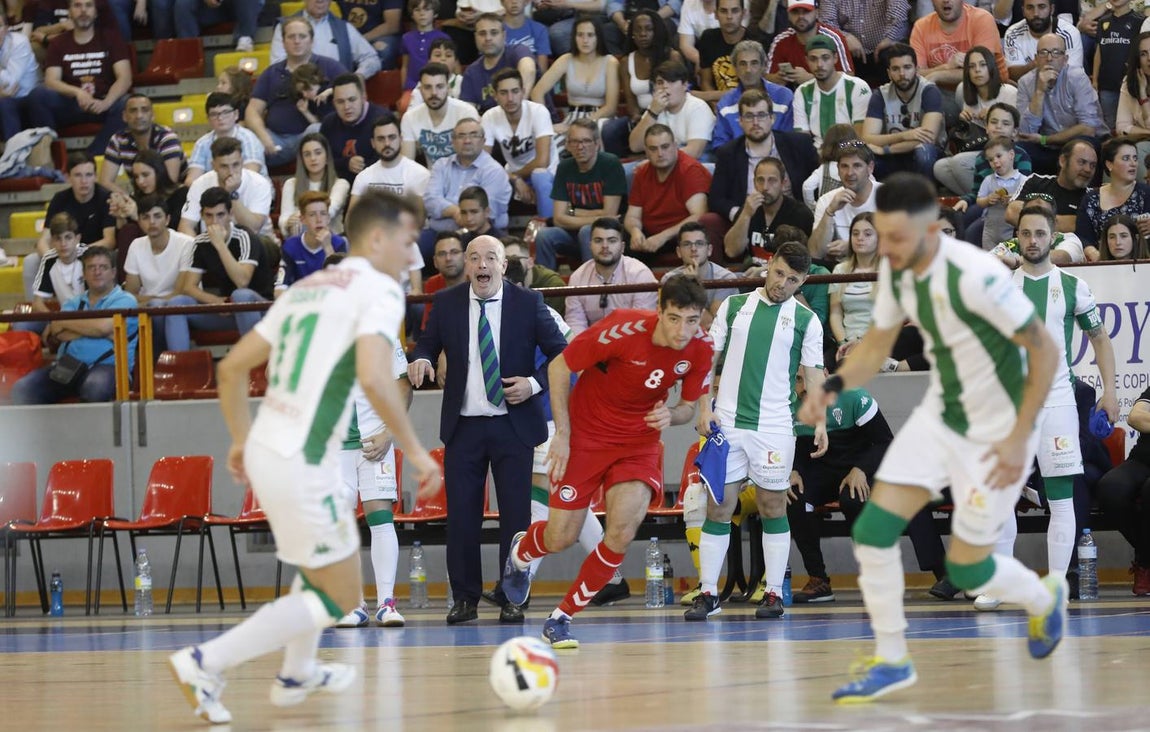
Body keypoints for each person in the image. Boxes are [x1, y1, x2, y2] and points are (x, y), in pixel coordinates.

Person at [168, 190, 441, 726]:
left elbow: (229, 371)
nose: (413, 256)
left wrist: (242, 440)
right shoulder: (379, 293)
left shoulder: (304, 288)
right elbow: (372, 375)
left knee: (324, 573)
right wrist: (412, 446)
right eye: (408, 242)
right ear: (378, 238)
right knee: (337, 591)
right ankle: (205, 661)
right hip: (305, 458)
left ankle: (297, 671)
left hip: (273, 449)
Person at [797, 172, 1066, 702]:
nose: (890, 249)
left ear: (931, 228)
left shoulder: (979, 275)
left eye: (899, 238)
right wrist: (830, 386)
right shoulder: (897, 272)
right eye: (885, 238)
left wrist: (1017, 440)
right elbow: (875, 345)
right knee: (873, 528)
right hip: (943, 413)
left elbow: (1044, 352)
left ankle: (1042, 597)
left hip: (998, 426)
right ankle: (893, 659)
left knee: (969, 565)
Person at [502, 275, 716, 648]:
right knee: (560, 536)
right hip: (584, 438)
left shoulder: (700, 349)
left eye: (692, 320)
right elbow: (558, 368)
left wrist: (672, 416)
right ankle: (522, 552)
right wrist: (563, 436)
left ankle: (561, 617)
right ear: (659, 311)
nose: (683, 330)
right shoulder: (622, 327)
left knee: (621, 531)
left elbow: (686, 409)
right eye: (674, 318)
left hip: (638, 444)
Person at [408, 235, 568, 625]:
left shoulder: (528, 302)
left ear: (502, 265)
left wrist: (532, 383)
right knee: (462, 517)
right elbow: (425, 344)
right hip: (463, 427)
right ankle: (464, 598)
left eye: (490, 258)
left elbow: (562, 352)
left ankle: (514, 597)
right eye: (474, 258)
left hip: (514, 426)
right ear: (466, 265)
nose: (482, 265)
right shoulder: (445, 303)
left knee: (516, 518)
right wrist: (423, 359)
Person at [971, 203, 1118, 611]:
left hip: (1057, 402)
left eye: (1040, 234)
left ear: (1052, 237)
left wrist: (1109, 391)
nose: (1033, 241)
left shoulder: (1073, 287)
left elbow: (1100, 340)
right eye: (1026, 234)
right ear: (1016, 237)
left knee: (1060, 497)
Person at [788, 371, 893, 604]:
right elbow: (800, 447)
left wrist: (861, 469)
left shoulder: (854, 396)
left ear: (824, 375)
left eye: (808, 378)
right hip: (822, 469)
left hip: (860, 468)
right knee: (795, 499)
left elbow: (885, 442)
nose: (803, 387)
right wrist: (794, 470)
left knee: (853, 500)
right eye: (797, 379)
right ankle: (819, 579)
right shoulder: (792, 403)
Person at [334, 336, 414, 628]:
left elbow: (403, 387)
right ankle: (353, 603)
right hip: (333, 446)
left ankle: (387, 603)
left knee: (381, 519)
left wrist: (389, 432)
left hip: (375, 439)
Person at [11, 246, 137, 405]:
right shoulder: (73, 302)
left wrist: (66, 322)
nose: (97, 272)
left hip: (109, 367)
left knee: (94, 388)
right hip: (69, 365)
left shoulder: (126, 301)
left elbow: (102, 327)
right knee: (23, 389)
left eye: (103, 267)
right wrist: (97, 331)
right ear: (83, 274)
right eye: (91, 267)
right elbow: (58, 331)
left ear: (113, 273)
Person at [165, 187, 277, 352]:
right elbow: (189, 287)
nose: (214, 222)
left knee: (241, 296)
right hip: (228, 307)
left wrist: (219, 245)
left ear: (230, 214)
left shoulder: (245, 237)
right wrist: (216, 301)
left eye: (220, 215)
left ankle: (254, 364)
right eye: (209, 216)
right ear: (202, 216)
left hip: (259, 307)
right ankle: (181, 368)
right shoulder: (200, 242)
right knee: (176, 303)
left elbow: (242, 281)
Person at [706, 90, 818, 249]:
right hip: (751, 219)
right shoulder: (728, 153)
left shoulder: (798, 144)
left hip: (795, 217)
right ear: (740, 121)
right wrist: (740, 214)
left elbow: (818, 181)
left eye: (761, 115)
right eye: (749, 116)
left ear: (772, 118)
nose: (756, 122)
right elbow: (716, 199)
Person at [22, 0, 132, 156]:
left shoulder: (111, 38)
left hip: (102, 102)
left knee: (126, 104)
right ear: (69, 12)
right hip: (71, 103)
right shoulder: (58, 43)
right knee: (38, 96)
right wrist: (77, 92)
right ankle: (54, 156)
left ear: (95, 12)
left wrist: (106, 102)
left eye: (88, 5)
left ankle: (92, 157)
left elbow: (125, 78)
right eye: (77, 5)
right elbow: (51, 81)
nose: (83, 10)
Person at [246, 17, 348, 169]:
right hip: (275, 141)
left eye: (302, 36)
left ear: (311, 40)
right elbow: (252, 110)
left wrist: (329, 91)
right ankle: (256, 187)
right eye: (291, 37)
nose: (297, 41)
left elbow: (353, 89)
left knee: (317, 131)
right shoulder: (271, 72)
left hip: (313, 140)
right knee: (246, 138)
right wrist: (263, 136)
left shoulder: (330, 66)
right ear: (283, 42)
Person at [532, 117, 627, 270]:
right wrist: (597, 215)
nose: (580, 147)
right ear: (568, 145)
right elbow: (558, 219)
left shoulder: (610, 164)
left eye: (586, 141)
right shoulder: (564, 167)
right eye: (575, 142)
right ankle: (546, 288)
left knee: (586, 231)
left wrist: (573, 213)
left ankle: (591, 286)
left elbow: (609, 217)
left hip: (607, 236)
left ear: (597, 144)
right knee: (544, 236)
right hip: (571, 234)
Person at [419, 118, 512, 264]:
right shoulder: (441, 166)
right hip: (439, 234)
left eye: (473, 135)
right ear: (453, 141)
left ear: (483, 140)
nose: (467, 140)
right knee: (413, 248)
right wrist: (456, 212)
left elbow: (486, 213)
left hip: (480, 236)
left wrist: (447, 210)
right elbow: (430, 201)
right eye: (461, 136)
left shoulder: (494, 171)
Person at [1016, 33, 1106, 176]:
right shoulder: (1025, 83)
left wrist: (1046, 139)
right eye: (1043, 53)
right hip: (1047, 149)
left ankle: (1080, 196)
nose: (1049, 58)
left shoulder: (1077, 78)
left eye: (1056, 53)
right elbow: (1025, 132)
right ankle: (1025, 195)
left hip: (1077, 145)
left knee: (1084, 145)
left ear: (1065, 60)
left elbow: (1088, 128)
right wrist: (1039, 91)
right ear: (1036, 59)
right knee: (1019, 150)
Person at [624, 125, 713, 261]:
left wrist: (662, 237)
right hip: (649, 233)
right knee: (615, 239)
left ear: (675, 146)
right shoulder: (642, 172)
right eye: (653, 149)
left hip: (680, 235)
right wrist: (635, 231)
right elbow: (632, 216)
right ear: (646, 152)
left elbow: (699, 216)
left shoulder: (690, 170)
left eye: (665, 147)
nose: (660, 153)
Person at [603, 8, 683, 157]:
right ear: (631, 34)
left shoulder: (672, 56)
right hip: (643, 115)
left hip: (669, 113)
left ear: (657, 31)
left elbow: (682, 92)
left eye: (648, 29)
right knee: (610, 130)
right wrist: (638, 118)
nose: (643, 34)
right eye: (638, 30)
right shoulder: (627, 61)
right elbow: (631, 102)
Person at [529, 14, 619, 141]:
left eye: (590, 35)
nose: (585, 40)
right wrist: (547, 124)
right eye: (580, 35)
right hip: (572, 117)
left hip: (600, 118)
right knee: (549, 145)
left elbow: (611, 107)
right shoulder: (566, 59)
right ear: (574, 37)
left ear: (598, 37)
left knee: (589, 141)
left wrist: (579, 126)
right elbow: (537, 92)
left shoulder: (610, 62)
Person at [862, 44, 945, 179]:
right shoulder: (880, 95)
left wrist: (886, 149)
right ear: (889, 73)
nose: (902, 74)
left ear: (916, 69)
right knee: (865, 155)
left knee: (923, 152)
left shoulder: (929, 91)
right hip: (893, 157)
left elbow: (928, 138)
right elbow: (867, 138)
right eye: (896, 69)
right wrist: (903, 136)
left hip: (924, 153)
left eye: (907, 67)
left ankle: (924, 198)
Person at [1097, 383, 1150, 595]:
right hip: (1142, 459)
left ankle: (1145, 564)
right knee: (1110, 489)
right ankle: (1147, 555)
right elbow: (1136, 417)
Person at [565, 218, 660, 335]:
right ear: (590, 245)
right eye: (598, 240)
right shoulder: (577, 277)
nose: (605, 246)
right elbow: (575, 321)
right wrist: (585, 348)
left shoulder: (640, 274)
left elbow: (641, 323)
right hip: (590, 345)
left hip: (631, 344)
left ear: (622, 247)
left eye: (612, 241)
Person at [1005, 139, 1098, 254]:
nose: (1088, 169)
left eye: (1093, 165)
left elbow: (1085, 228)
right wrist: (1067, 222)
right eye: (1082, 162)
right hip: (1022, 254)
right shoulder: (1035, 181)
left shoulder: (1092, 198)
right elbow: (1011, 213)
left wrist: (1030, 217)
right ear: (1063, 161)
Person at [482, 69, 555, 210]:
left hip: (546, 173)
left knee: (540, 177)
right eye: (503, 93)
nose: (510, 98)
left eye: (515, 91)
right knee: (486, 181)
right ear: (494, 95)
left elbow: (542, 162)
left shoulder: (538, 111)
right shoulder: (489, 117)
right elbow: (483, 161)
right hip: (513, 174)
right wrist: (513, 178)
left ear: (523, 92)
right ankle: (494, 229)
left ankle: (547, 226)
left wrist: (514, 176)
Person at [936, 101, 1028, 207]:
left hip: (1011, 206)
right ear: (986, 128)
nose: (998, 127)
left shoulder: (1021, 156)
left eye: (1005, 123)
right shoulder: (981, 158)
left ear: (1014, 132)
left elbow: (1023, 190)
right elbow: (977, 192)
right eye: (994, 122)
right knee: (961, 216)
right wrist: (965, 200)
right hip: (986, 204)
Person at [711, 39, 797, 152]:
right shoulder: (725, 104)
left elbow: (790, 140)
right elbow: (720, 145)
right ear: (735, 69)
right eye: (742, 64)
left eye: (754, 63)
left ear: (764, 66)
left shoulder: (784, 97)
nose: (748, 70)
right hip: (740, 162)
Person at [725, 157, 817, 261]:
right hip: (751, 273)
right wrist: (746, 215)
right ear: (754, 183)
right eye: (760, 180)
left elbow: (809, 258)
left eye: (772, 180)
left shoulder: (801, 214)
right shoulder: (747, 209)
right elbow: (731, 251)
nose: (765, 187)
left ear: (783, 183)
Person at [909, 0, 1008, 96]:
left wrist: (937, 75)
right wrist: (946, 67)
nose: (946, 1)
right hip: (940, 92)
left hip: (985, 91)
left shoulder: (982, 19)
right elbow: (915, 74)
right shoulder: (920, 27)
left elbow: (982, 71)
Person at [180, 137, 274, 238]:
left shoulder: (259, 183)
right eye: (224, 166)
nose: (231, 172)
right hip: (213, 242)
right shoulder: (200, 184)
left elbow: (253, 229)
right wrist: (196, 248)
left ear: (242, 162)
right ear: (214, 166)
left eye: (235, 165)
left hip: (258, 242)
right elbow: (186, 226)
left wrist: (232, 194)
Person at [792, 35, 872, 149]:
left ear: (835, 58)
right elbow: (802, 138)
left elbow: (860, 137)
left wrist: (834, 153)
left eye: (825, 58)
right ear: (806, 61)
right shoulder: (802, 91)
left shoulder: (857, 87)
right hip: (817, 154)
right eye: (813, 59)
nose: (819, 64)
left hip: (850, 152)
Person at [1075, 136, 1150, 257]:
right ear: (1109, 164)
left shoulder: (1146, 193)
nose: (1133, 164)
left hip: (1142, 263)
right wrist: (1095, 254)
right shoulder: (1091, 198)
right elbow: (1083, 237)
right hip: (1101, 264)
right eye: (1126, 158)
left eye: (1135, 158)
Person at [98, 93, 186, 194]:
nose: (139, 116)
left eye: (144, 110)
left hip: (175, 196)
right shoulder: (118, 139)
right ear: (124, 116)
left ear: (152, 115)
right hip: (143, 197)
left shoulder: (167, 138)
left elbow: (170, 182)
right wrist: (129, 200)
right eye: (133, 111)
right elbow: (105, 182)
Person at [626, 60, 715, 159]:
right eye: (660, 83)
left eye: (671, 81)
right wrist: (652, 113)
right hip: (662, 160)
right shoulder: (655, 108)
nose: (665, 87)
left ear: (685, 85)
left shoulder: (698, 107)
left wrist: (655, 161)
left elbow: (694, 151)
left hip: (695, 163)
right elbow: (635, 146)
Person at [271, 0, 381, 78]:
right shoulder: (284, 26)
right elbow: (277, 66)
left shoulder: (345, 28)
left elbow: (371, 58)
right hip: (296, 95)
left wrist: (358, 77)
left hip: (337, 99)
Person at [400, 62, 480, 167]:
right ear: (420, 89)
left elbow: (475, 161)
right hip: (431, 179)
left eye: (440, 86)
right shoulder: (410, 118)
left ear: (448, 87)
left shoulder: (466, 112)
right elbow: (407, 165)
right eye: (428, 87)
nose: (434, 93)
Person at [661, 222, 739, 329]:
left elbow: (711, 325)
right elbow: (668, 322)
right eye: (687, 244)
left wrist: (692, 283)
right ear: (679, 252)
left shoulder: (726, 278)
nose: (693, 248)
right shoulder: (668, 280)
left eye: (699, 243)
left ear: (709, 250)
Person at [810, 141, 880, 261]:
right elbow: (815, 253)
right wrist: (830, 211)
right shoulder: (826, 201)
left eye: (857, 166)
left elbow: (902, 243)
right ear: (838, 169)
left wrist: (852, 247)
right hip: (840, 272)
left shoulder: (889, 195)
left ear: (870, 168)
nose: (850, 173)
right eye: (844, 166)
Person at [349, 114, 431, 214]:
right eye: (381, 139)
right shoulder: (363, 177)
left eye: (392, 137)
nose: (387, 143)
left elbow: (420, 218)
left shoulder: (420, 174)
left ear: (401, 139)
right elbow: (351, 219)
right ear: (373, 143)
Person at [123, 195, 194, 308]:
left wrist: (152, 302)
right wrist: (153, 302)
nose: (152, 222)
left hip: (181, 307)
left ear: (167, 220)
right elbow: (130, 294)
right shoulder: (136, 245)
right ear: (139, 222)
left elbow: (180, 293)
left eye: (157, 216)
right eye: (145, 217)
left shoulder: (186, 244)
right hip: (148, 307)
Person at [817, 0, 910, 85]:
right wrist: (845, 37)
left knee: (892, 55)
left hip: (885, 45)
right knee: (835, 51)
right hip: (852, 50)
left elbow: (899, 10)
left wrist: (889, 38)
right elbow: (827, 22)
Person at [460, 13, 537, 114]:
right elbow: (468, 110)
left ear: (504, 35)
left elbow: (529, 70)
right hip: (493, 126)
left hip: (529, 120)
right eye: (482, 33)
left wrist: (515, 108)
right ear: (475, 37)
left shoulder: (518, 51)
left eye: (494, 33)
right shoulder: (471, 72)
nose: (488, 38)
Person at [319, 74, 389, 184]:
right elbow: (323, 160)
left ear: (363, 98)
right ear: (334, 103)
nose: (347, 107)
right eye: (340, 102)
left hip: (378, 186)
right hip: (339, 186)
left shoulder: (384, 120)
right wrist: (346, 163)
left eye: (352, 99)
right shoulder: (328, 123)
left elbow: (391, 160)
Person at [766, 0, 854, 87]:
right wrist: (778, 78)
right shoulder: (780, 40)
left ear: (817, 12)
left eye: (806, 11)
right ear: (788, 15)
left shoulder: (833, 38)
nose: (801, 16)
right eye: (795, 12)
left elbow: (849, 78)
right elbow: (767, 77)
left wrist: (811, 80)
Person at [186, 92, 267, 185]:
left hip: (251, 191)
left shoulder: (249, 139)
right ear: (208, 118)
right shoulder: (202, 143)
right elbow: (191, 180)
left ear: (236, 114)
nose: (220, 118)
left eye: (225, 112)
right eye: (214, 114)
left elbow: (251, 175)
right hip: (215, 193)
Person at [281, 133, 351, 240]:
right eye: (307, 154)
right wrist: (288, 222)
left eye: (318, 153)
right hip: (300, 240)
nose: (313, 158)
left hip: (332, 242)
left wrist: (300, 217)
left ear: (327, 156)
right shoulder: (290, 184)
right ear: (302, 159)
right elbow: (283, 220)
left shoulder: (341, 184)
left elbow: (328, 212)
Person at [829, 211, 878, 363]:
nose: (860, 238)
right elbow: (835, 314)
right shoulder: (840, 270)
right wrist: (843, 343)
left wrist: (863, 343)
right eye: (855, 234)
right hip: (845, 342)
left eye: (868, 234)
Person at [279, 192, 350, 291]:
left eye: (323, 214)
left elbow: (341, 287)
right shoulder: (291, 246)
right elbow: (279, 289)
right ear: (303, 219)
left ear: (328, 218)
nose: (319, 220)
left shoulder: (339, 243)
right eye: (312, 215)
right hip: (300, 300)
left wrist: (328, 247)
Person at [695, 0, 762, 103]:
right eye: (723, 11)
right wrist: (715, 106)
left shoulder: (755, 41)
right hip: (716, 103)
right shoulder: (708, 38)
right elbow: (705, 81)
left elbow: (755, 88)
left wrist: (708, 95)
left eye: (735, 11)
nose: (729, 17)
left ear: (743, 14)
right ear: (716, 14)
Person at [1003, 0, 1084, 81]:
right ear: (1023, 11)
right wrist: (1034, 65)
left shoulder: (1069, 33)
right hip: (1028, 90)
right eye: (1030, 7)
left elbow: (1074, 76)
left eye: (1041, 7)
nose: (1036, 14)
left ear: (1051, 9)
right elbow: (1013, 74)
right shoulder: (1012, 34)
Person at [975, 136, 1027, 249]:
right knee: (990, 260)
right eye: (990, 159)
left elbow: (1027, 204)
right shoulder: (988, 180)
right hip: (990, 232)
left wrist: (1013, 200)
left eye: (999, 156)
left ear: (1011, 155)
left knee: (1010, 260)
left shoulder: (1023, 180)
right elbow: (979, 201)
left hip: (1012, 233)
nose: (995, 161)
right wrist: (988, 200)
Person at [156, 0, 261, 51]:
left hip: (243, 6)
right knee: (183, 4)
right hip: (211, 8)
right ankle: (189, 50)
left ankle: (245, 37)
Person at [1115, 32, 1150, 180]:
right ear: (1137, 60)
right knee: (1119, 154)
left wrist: (1143, 99)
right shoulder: (1129, 82)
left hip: (1142, 145)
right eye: (1143, 54)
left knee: (1139, 151)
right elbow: (1122, 128)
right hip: (1143, 142)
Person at [0, 11, 39, 142]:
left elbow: (10, 83)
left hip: (25, 102)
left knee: (5, 104)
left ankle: (14, 157)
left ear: (6, 29)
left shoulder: (19, 43)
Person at [400, 0, 451, 89]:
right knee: (405, 103)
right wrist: (404, 88)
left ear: (435, 14)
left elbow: (451, 65)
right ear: (412, 14)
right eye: (417, 10)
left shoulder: (443, 38)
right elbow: (405, 66)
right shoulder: (406, 38)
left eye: (427, 9)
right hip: (412, 87)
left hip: (435, 86)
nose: (422, 14)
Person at [501, 0, 550, 72]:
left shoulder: (540, 29)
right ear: (502, 2)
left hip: (531, 77)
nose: (514, 2)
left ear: (527, 2)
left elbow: (542, 69)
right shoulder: (494, 30)